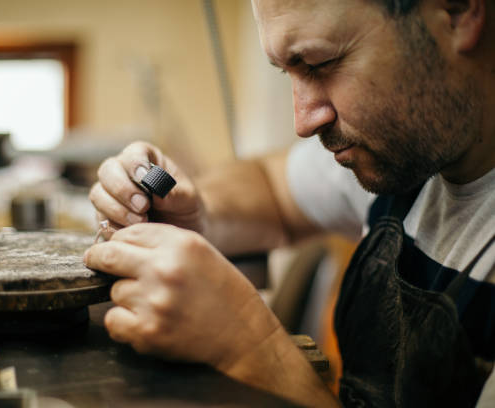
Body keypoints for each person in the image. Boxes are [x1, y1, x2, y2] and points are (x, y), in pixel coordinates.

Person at [83, 0, 495, 406]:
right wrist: (194, 208)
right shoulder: (406, 149)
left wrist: (250, 347)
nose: (303, 121)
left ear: (457, 11)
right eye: (289, 72)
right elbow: (271, 185)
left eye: (319, 64)